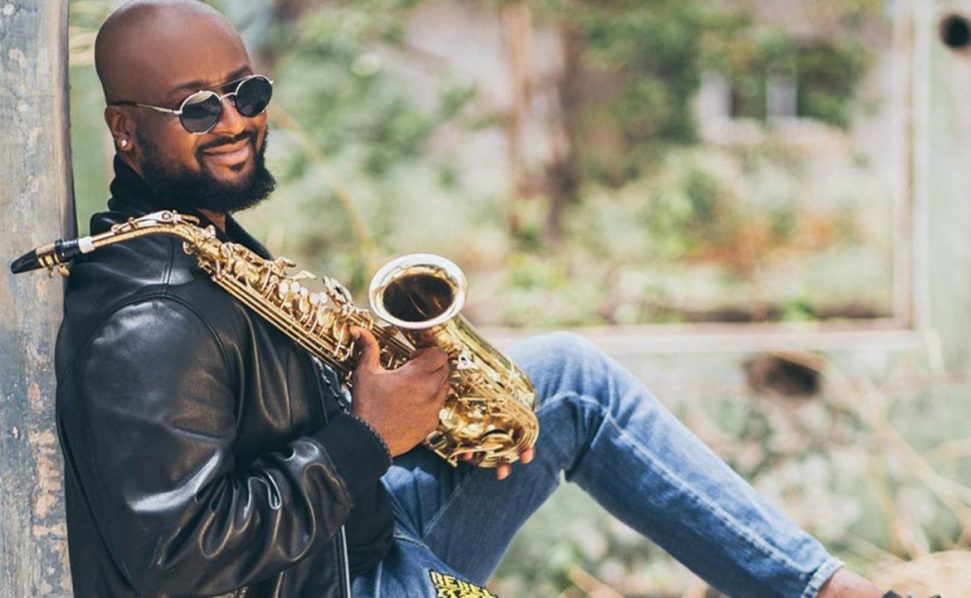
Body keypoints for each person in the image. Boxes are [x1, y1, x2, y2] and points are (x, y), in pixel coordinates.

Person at [55, 1, 887, 596]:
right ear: (125, 130)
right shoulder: (152, 321)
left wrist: (431, 424)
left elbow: (267, 438)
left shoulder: (204, 239)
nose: (235, 122)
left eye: (247, 92)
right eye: (197, 107)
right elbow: (176, 558)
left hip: (356, 542)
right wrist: (366, 437)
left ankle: (828, 590)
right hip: (341, 582)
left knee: (567, 379)